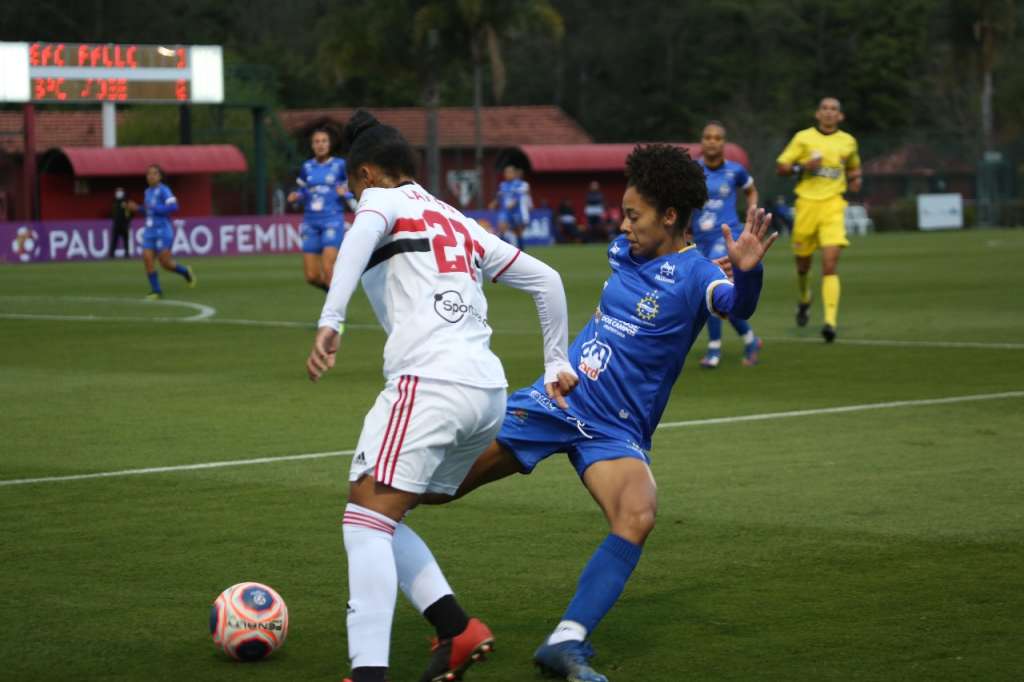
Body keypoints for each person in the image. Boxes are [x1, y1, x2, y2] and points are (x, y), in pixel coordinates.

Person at [421, 144, 778, 681]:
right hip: (558, 400)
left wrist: (747, 274)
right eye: (624, 214)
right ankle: (375, 522)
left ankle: (566, 641)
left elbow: (735, 305)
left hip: (614, 429)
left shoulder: (696, 274)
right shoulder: (625, 250)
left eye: (634, 215)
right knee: (435, 487)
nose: (623, 225)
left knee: (638, 514)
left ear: (670, 216)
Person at [305, 111, 578, 682]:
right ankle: (456, 629)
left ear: (367, 174)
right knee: (381, 511)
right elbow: (548, 281)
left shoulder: (381, 200)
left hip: (430, 382)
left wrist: (332, 319)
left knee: (363, 522)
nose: (354, 199)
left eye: (353, 186)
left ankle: (369, 673)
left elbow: (358, 238)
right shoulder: (456, 217)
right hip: (487, 392)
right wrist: (556, 362)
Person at [776, 97, 861, 342]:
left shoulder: (848, 141)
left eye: (834, 109)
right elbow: (781, 167)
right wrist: (802, 167)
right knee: (803, 265)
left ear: (840, 116)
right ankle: (805, 298)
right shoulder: (803, 138)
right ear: (817, 114)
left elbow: (854, 167)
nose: (829, 112)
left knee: (830, 265)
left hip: (833, 206)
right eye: (824, 108)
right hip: (806, 206)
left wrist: (856, 180)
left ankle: (830, 323)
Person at [691, 121, 763, 368]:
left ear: (724, 143)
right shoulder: (693, 170)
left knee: (712, 288)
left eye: (717, 137)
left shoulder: (735, 171)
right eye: (707, 137)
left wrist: (752, 212)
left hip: (726, 238)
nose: (712, 141)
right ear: (702, 141)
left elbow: (751, 190)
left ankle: (714, 350)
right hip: (700, 240)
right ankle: (751, 340)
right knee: (722, 298)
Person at [288, 128, 357, 292]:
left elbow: (353, 188)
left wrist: (346, 194)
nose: (320, 145)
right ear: (312, 145)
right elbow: (303, 191)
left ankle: (334, 305)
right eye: (317, 142)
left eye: (324, 141)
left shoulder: (339, 165)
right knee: (311, 276)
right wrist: (296, 197)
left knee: (328, 269)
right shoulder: (307, 167)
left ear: (329, 144)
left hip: (332, 220)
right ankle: (334, 295)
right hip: (310, 222)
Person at [132, 165, 195, 299]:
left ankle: (185, 272)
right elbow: (148, 211)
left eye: (154, 173)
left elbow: (174, 207)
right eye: (149, 173)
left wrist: (155, 207)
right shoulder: (147, 192)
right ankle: (156, 291)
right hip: (149, 231)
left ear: (160, 176)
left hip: (163, 230)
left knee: (165, 263)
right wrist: (138, 208)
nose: (151, 176)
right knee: (147, 258)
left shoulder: (165, 190)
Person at [489, 165, 533, 249]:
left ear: (514, 174)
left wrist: (514, 202)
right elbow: (500, 196)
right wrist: (494, 203)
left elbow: (519, 196)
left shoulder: (519, 184)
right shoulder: (503, 185)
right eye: (506, 172)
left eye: (509, 172)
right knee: (502, 227)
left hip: (516, 211)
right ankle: (501, 250)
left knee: (518, 232)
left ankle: (521, 251)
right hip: (505, 211)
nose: (507, 174)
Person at [108, 187, 133, 259]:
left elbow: (129, 213)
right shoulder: (114, 202)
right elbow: (112, 213)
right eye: (117, 191)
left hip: (124, 224)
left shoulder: (126, 201)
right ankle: (111, 254)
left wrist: (128, 221)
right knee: (114, 239)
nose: (119, 193)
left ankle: (127, 254)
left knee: (126, 240)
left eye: (120, 191)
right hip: (116, 224)